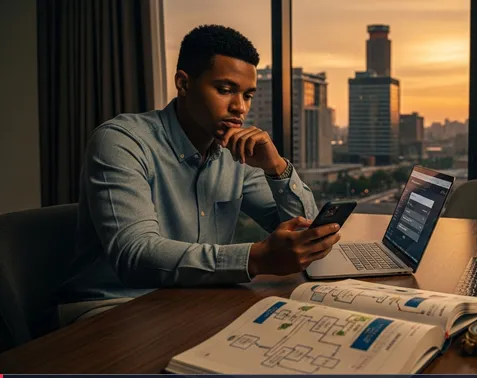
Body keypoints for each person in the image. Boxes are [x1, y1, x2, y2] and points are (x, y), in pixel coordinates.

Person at [57, 24, 340, 325]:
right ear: (183, 83)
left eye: (247, 95)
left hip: (195, 300)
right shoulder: (121, 141)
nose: (239, 108)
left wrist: (277, 169)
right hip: (111, 309)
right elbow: (135, 255)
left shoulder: (237, 154)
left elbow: (306, 232)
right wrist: (254, 258)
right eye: (225, 90)